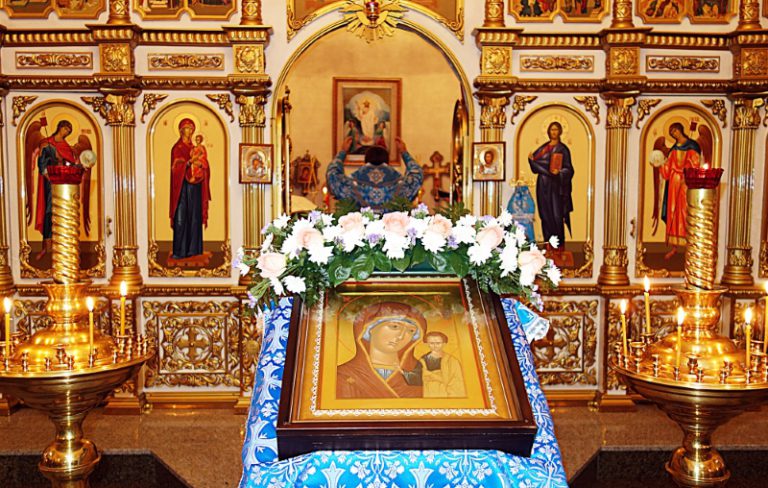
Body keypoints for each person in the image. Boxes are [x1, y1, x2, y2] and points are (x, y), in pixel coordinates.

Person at [336, 302, 425, 399]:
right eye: (394, 326)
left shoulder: (422, 373)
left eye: (411, 331)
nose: (401, 336)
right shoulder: (344, 374)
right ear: (370, 328)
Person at [649, 122, 701, 260]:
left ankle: (690, 244)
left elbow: (695, 163)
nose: (674, 134)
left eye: (675, 131)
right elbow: (667, 168)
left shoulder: (692, 146)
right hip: (673, 184)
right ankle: (674, 247)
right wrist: (660, 164)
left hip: (685, 183)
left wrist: (687, 173)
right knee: (673, 212)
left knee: (685, 211)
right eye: (671, 133)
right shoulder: (674, 149)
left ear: (680, 130)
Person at [326, 136, 423, 210]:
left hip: (360, 229)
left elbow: (332, 174)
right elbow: (417, 174)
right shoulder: (400, 185)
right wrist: (404, 152)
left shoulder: (353, 184)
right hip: (392, 229)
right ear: (388, 163)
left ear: (365, 162)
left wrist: (342, 152)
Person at [528, 121, 574, 252]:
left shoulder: (563, 149)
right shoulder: (544, 148)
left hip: (556, 187)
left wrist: (559, 172)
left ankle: (558, 245)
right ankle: (548, 243)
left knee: (556, 215)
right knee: (545, 214)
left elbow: (569, 169)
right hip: (543, 185)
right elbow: (534, 163)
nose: (554, 132)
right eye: (552, 130)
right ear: (548, 132)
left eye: (556, 129)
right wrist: (531, 159)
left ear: (560, 132)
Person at [34, 120, 78, 259]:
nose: (66, 133)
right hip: (50, 182)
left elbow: (70, 164)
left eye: (68, 132)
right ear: (60, 127)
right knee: (49, 210)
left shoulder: (66, 147)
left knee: (63, 211)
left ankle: (63, 245)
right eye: (65, 129)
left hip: (63, 183)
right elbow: (42, 163)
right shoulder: (47, 143)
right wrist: (47, 175)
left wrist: (79, 165)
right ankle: (46, 247)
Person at [170, 118, 211, 260]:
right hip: (182, 187)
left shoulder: (196, 148)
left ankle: (193, 249)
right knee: (181, 217)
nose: (190, 131)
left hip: (195, 186)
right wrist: (188, 163)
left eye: (192, 129)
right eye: (187, 128)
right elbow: (175, 168)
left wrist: (202, 166)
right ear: (181, 130)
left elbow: (204, 164)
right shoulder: (177, 148)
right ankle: (180, 251)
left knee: (194, 216)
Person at [417, 331, 466, 398]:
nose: (435, 346)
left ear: (444, 344)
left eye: (438, 343)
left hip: (445, 393)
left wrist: (433, 376)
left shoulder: (451, 361)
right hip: (428, 392)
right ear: (427, 344)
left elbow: (457, 381)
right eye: (431, 343)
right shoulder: (422, 360)